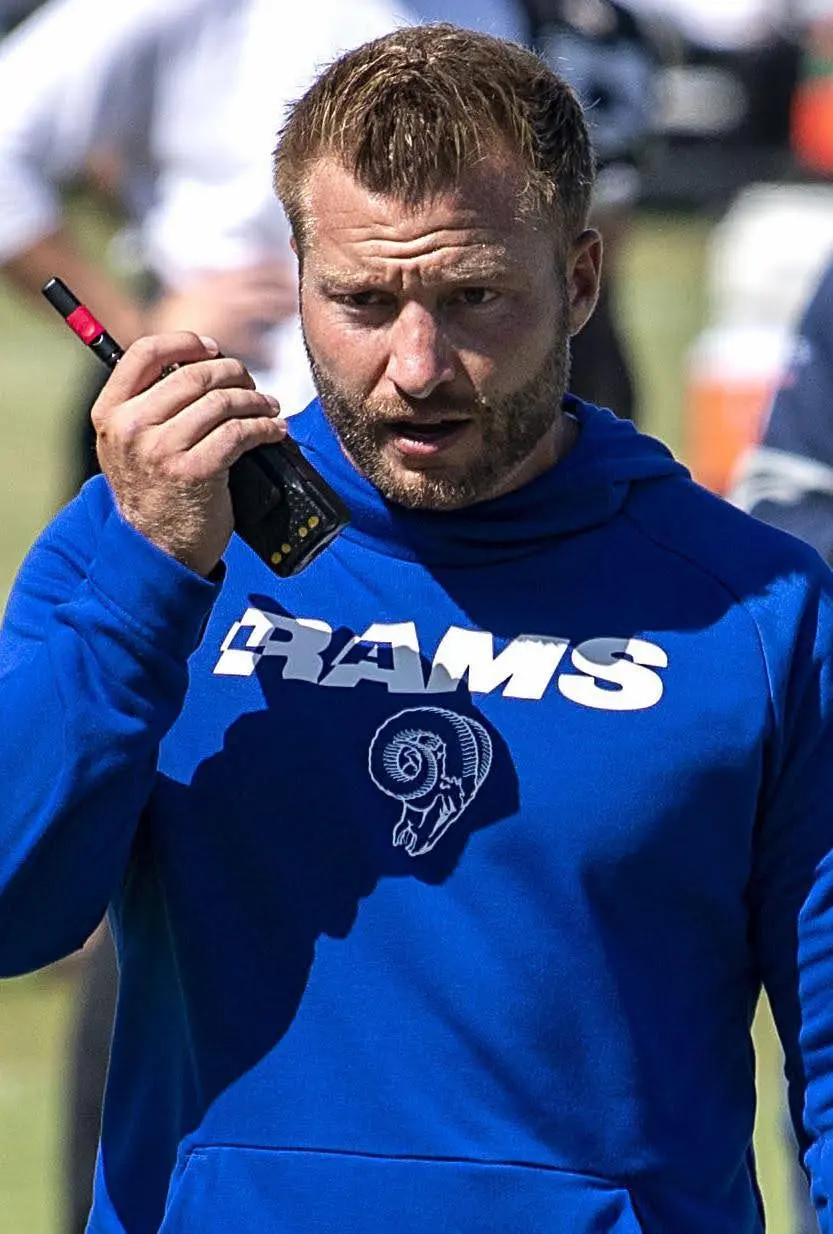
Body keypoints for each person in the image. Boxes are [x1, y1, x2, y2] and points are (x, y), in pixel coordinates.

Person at [3, 22, 833, 1234]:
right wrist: (147, 586)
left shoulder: (755, 610)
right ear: (296, 278)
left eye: (472, 296)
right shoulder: (143, 540)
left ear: (582, 281)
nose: (415, 363)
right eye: (360, 298)